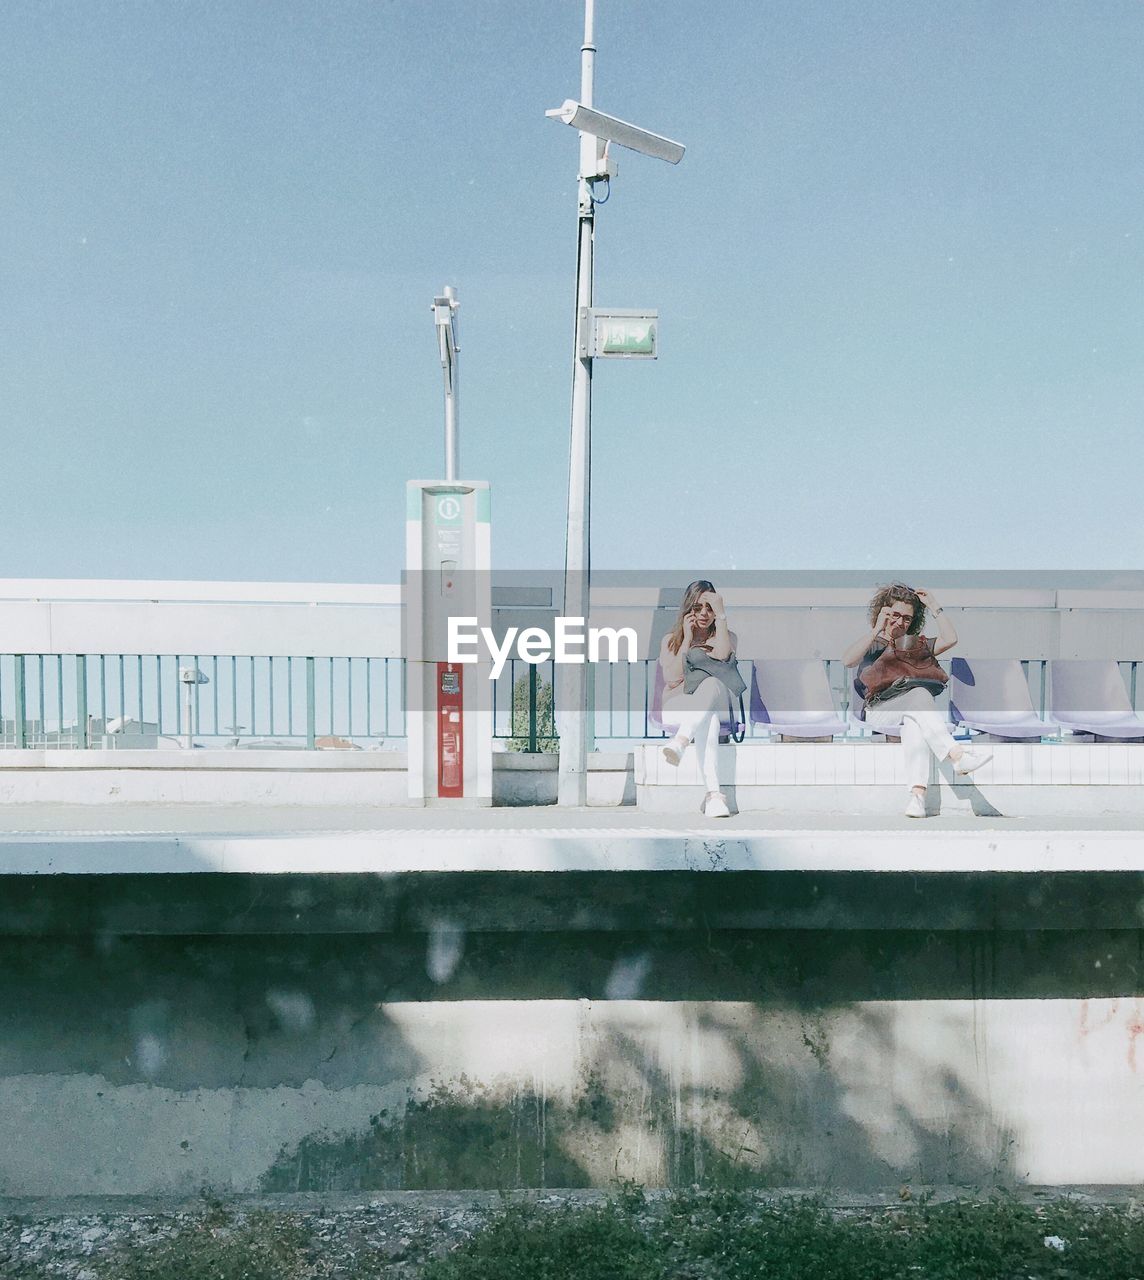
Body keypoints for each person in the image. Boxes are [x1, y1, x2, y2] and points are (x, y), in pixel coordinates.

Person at [842, 583, 991, 818]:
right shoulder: (873, 641)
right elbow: (848, 660)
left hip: (910, 708)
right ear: (883, 612)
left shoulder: (913, 646)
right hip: (878, 709)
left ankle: (917, 798)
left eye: (907, 618)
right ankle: (957, 755)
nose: (900, 622)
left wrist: (933, 606)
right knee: (920, 695)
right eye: (895, 615)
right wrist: (876, 630)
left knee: (915, 721)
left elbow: (950, 639)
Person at [658, 579, 741, 818]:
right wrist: (686, 639)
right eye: (697, 607)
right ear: (688, 610)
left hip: (707, 706)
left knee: (713, 687)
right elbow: (672, 678)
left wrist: (722, 615)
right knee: (708, 716)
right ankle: (714, 796)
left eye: (710, 607)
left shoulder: (727, 637)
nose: (704, 613)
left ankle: (681, 742)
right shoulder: (670, 640)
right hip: (677, 704)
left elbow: (723, 658)